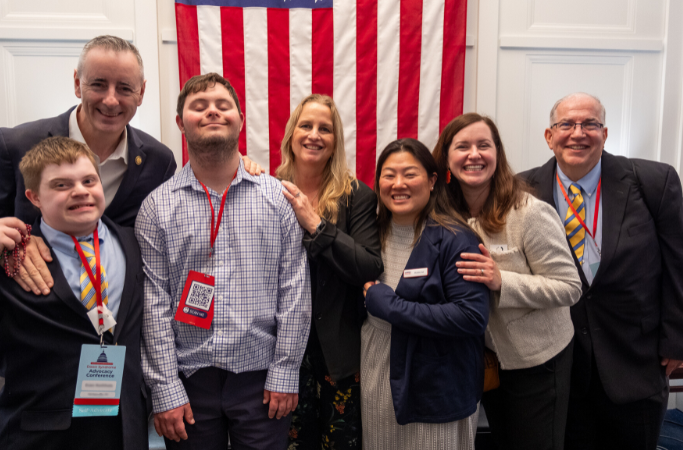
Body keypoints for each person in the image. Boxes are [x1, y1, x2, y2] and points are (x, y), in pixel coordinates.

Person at [0, 35, 177, 443]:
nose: (111, 100)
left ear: (141, 94)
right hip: (37, 370)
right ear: (77, 83)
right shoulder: (17, 144)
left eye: (125, 88)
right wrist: (18, 244)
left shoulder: (158, 160)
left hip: (115, 367)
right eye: (98, 84)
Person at [0, 136, 149, 449]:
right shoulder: (10, 261)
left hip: (123, 427)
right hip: (43, 434)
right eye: (61, 185)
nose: (80, 191)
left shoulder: (132, 242)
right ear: (34, 197)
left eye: (89, 180)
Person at [136, 72, 311, 450]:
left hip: (262, 378)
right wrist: (165, 385)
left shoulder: (278, 198)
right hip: (189, 378)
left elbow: (294, 289)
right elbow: (154, 303)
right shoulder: (156, 207)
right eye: (199, 107)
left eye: (222, 105)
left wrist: (285, 370)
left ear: (240, 119)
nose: (212, 112)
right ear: (181, 123)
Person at [521, 92, 683, 450]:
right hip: (555, 366)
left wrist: (680, 341)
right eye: (567, 124)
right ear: (549, 135)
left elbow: (682, 263)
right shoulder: (520, 190)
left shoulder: (654, 181)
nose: (578, 133)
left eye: (590, 124)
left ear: (604, 133)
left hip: (634, 362)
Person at [432, 114, 582, 450]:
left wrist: (502, 280)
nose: (474, 154)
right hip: (485, 360)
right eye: (463, 146)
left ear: (497, 154)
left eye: (484, 145)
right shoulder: (443, 216)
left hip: (537, 362)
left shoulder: (528, 213)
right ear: (446, 157)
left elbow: (569, 286)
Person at [360, 138, 489, 450]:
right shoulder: (368, 235)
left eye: (410, 174)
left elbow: (471, 317)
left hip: (435, 384)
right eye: (388, 175)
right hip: (376, 371)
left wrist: (389, 305)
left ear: (433, 181)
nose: (398, 184)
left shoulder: (456, 239)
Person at [276, 94, 382, 449]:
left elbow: (368, 265)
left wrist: (316, 224)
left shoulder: (357, 196)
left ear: (336, 141)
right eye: (306, 125)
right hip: (281, 351)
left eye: (325, 129)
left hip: (339, 351)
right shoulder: (269, 191)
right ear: (292, 133)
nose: (314, 135)